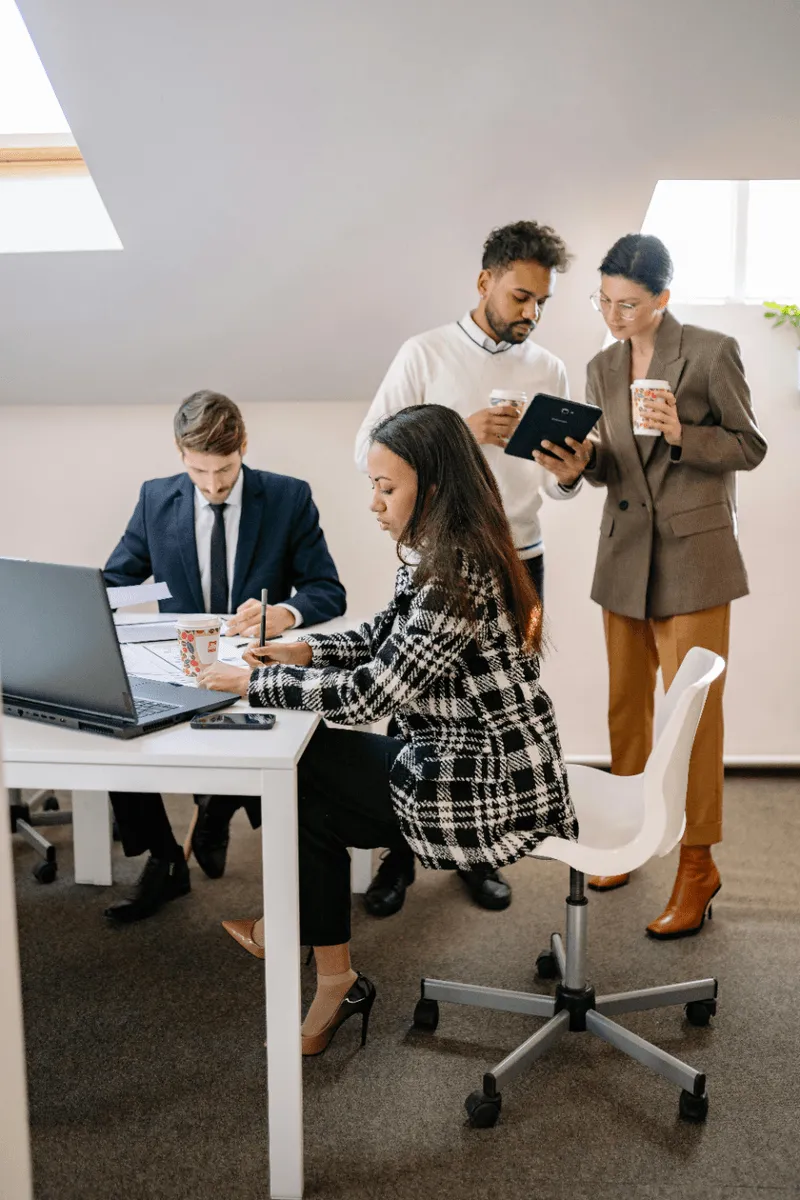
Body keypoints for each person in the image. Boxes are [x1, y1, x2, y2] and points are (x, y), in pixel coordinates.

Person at [199, 404, 577, 1056]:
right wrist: (303, 651)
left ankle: (302, 940)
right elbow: (383, 637)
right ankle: (332, 975)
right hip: (473, 754)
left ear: (433, 485)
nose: (374, 502)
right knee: (311, 792)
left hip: (491, 777)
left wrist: (251, 684)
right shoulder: (444, 551)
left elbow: (374, 693)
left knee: (309, 765)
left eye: (386, 486)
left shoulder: (456, 572)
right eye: (372, 484)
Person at [353, 220, 591, 916]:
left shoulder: (548, 369)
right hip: (442, 558)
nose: (531, 313)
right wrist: (458, 429)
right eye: (521, 296)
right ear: (484, 281)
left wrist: (569, 474)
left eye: (541, 302)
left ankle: (479, 855)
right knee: (414, 706)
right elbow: (368, 448)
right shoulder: (424, 354)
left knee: (501, 709)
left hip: (523, 560)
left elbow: (551, 488)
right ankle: (395, 858)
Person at [536, 233, 767, 938]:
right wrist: (576, 467)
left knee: (691, 718)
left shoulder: (710, 349)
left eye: (628, 303)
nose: (613, 315)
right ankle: (627, 837)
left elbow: (749, 446)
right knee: (626, 707)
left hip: (696, 558)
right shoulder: (601, 365)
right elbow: (611, 463)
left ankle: (697, 864)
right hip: (624, 556)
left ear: (662, 298)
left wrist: (681, 434)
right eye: (603, 301)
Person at [102, 390, 346, 923]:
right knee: (115, 726)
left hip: (255, 664)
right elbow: (117, 578)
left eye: (226, 471)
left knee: (273, 754)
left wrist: (286, 611)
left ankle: (220, 806)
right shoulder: (154, 498)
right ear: (178, 452)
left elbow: (329, 590)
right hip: (180, 662)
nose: (213, 486)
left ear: (244, 448)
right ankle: (166, 860)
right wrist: (101, 604)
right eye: (199, 472)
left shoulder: (287, 497)